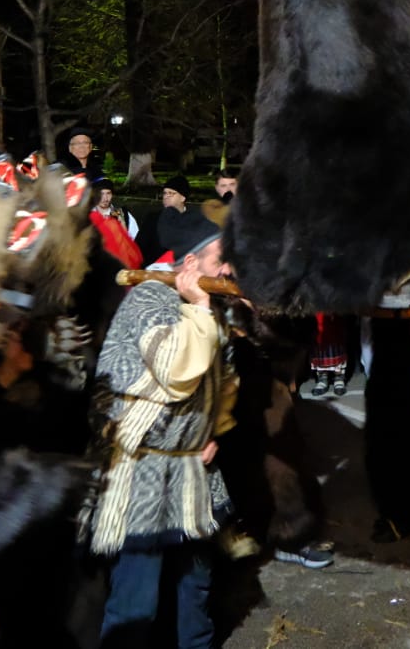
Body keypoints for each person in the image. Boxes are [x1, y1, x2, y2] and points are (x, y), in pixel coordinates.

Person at [88, 209, 239, 648]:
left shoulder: (213, 308)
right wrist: (200, 307)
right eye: (220, 260)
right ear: (190, 264)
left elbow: (225, 378)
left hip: (193, 471)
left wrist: (214, 430)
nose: (227, 270)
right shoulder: (149, 299)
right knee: (136, 602)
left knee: (196, 590)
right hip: (143, 473)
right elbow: (176, 370)